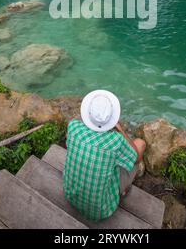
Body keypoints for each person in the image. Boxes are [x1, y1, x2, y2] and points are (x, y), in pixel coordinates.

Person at [63, 90, 146, 222]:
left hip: (70, 195)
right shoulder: (116, 140)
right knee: (140, 144)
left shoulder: (73, 127)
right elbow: (136, 157)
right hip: (101, 210)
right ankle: (121, 191)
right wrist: (121, 130)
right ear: (112, 118)